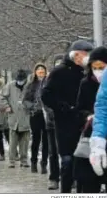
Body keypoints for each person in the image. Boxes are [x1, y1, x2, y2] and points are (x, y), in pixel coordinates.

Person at [41, 40, 93, 193]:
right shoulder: (59, 72)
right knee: (67, 161)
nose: (87, 57)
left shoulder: (87, 73)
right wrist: (64, 107)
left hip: (84, 123)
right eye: (85, 54)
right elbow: (46, 95)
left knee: (83, 162)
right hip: (65, 124)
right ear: (75, 55)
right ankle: (65, 191)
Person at [74, 46, 107, 193]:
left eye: (102, 67)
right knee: (88, 178)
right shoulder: (86, 83)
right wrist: (88, 116)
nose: (99, 71)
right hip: (91, 133)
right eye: (95, 67)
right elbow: (79, 108)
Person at [0, 69, 30, 168]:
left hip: (25, 118)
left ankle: (24, 161)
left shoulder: (29, 86)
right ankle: (11, 161)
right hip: (13, 118)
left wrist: (26, 105)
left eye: (22, 80)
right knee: (13, 142)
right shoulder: (10, 86)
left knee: (24, 142)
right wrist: (6, 106)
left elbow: (34, 99)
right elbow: (0, 96)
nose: (20, 81)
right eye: (18, 79)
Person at [42, 55, 63, 190]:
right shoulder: (48, 80)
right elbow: (44, 99)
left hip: (68, 122)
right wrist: (53, 112)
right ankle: (54, 178)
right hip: (52, 122)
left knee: (68, 152)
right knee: (53, 151)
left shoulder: (69, 79)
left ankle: (69, 176)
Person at [23, 63, 48, 174]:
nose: (41, 71)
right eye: (38, 69)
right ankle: (34, 161)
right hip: (36, 114)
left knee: (46, 140)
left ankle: (44, 163)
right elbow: (25, 100)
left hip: (47, 114)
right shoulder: (31, 84)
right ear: (35, 72)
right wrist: (32, 106)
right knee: (36, 139)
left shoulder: (49, 82)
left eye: (42, 69)